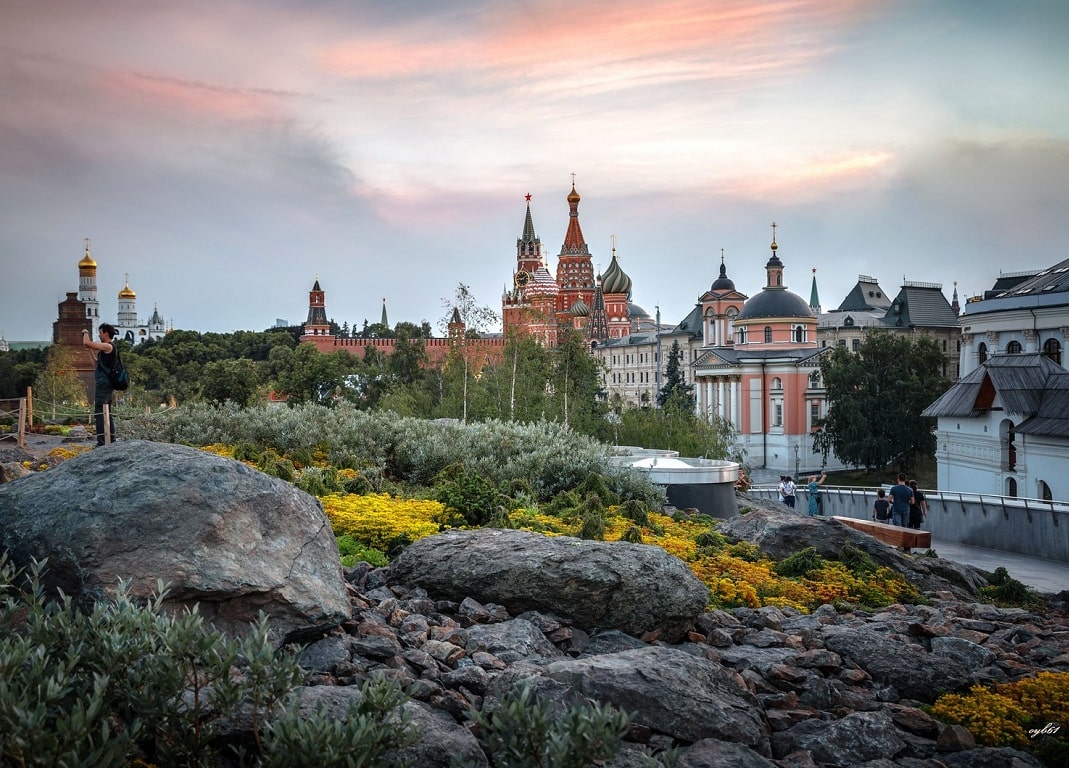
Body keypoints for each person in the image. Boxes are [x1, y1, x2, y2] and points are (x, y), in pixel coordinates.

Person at [82, 323, 119, 446]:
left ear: (106, 333)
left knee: (100, 412)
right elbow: (96, 364)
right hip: (104, 383)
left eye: (100, 332)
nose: (99, 335)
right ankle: (110, 440)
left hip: (104, 384)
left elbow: (86, 343)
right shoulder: (105, 350)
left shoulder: (108, 346)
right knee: (106, 411)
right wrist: (90, 351)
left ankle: (102, 442)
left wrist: (85, 332)